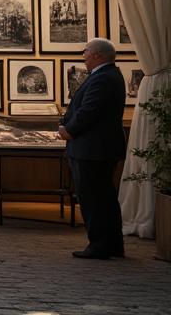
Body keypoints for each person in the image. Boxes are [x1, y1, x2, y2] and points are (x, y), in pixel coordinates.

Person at [59, 38, 127, 260]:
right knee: (105, 198)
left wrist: (68, 130)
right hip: (98, 148)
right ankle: (113, 244)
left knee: (93, 200)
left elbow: (89, 111)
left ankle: (99, 245)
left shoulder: (103, 78)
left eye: (86, 51)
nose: (83, 55)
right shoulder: (107, 75)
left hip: (92, 149)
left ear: (98, 54)